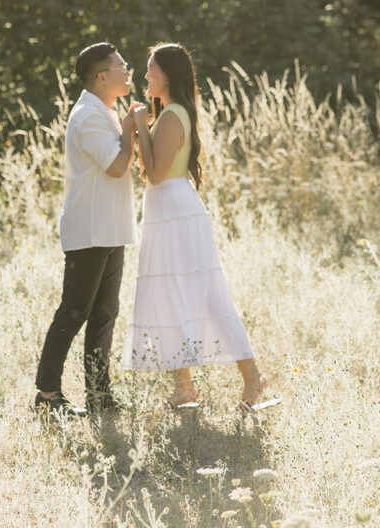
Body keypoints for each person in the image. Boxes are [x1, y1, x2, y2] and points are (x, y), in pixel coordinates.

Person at [122, 42, 265, 410]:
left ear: (168, 74)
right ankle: (184, 388)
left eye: (151, 68)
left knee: (207, 294)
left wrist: (141, 125)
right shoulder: (168, 113)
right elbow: (149, 171)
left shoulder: (171, 116)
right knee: (172, 296)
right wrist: (140, 131)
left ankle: (253, 381)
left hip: (175, 210)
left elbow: (154, 175)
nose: (145, 75)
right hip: (165, 208)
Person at [35, 42, 139, 415]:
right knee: (75, 312)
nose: (128, 71)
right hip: (90, 231)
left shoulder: (105, 111)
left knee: (105, 313)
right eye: (121, 66)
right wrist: (130, 128)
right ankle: (47, 396)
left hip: (110, 229)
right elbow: (116, 166)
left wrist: (127, 127)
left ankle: (99, 394)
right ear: (102, 76)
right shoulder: (90, 116)